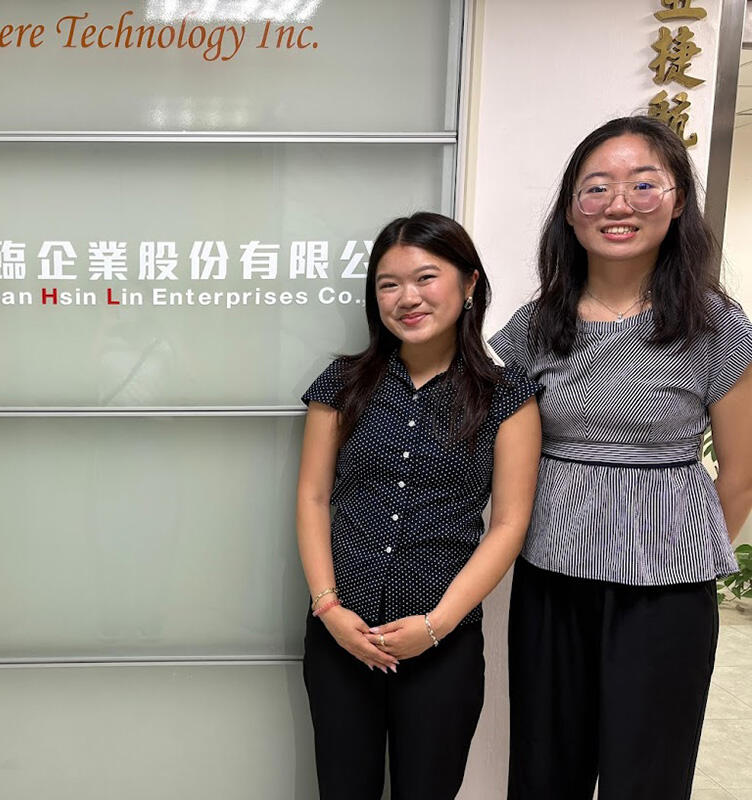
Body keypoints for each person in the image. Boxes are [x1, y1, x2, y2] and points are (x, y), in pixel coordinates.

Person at [492, 116, 752, 800]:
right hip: (551, 578)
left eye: (644, 185)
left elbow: (741, 472)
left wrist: (674, 555)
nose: (618, 204)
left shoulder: (716, 326)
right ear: (571, 214)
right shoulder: (532, 327)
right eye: (596, 188)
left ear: (676, 201)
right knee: (546, 773)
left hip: (665, 594)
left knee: (648, 776)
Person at [297, 211, 541, 799]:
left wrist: (436, 625)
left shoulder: (508, 396)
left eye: (426, 278)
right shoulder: (344, 382)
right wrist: (328, 609)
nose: (407, 298)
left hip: (444, 643)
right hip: (341, 636)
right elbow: (312, 495)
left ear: (469, 283)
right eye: (388, 284)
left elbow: (509, 522)